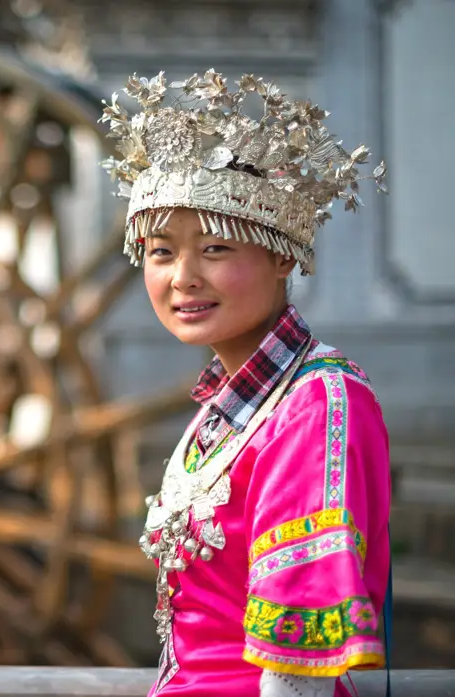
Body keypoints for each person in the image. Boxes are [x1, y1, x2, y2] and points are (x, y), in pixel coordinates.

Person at [99, 71, 392, 697]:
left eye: (214, 249)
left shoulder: (316, 405)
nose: (182, 278)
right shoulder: (223, 408)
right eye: (160, 251)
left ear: (282, 253)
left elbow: (296, 663)